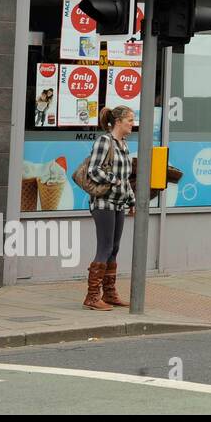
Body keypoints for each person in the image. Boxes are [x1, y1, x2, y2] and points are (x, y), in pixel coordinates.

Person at [83, 106, 137, 310]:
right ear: (118, 121)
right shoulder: (104, 142)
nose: (133, 124)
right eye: (130, 120)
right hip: (103, 203)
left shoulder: (123, 144)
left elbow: (126, 179)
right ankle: (92, 296)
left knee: (114, 248)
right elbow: (93, 170)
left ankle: (110, 293)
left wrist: (131, 200)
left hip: (118, 203)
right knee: (104, 248)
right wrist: (113, 180)